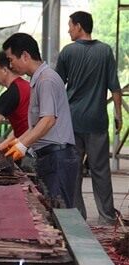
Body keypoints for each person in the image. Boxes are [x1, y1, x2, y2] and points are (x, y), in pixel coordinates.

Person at [55, 11, 122, 224]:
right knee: (100, 171)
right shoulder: (105, 51)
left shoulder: (67, 52)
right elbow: (115, 88)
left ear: (79, 27)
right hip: (97, 122)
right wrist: (118, 115)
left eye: (70, 25)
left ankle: (76, 216)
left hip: (72, 121)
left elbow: (57, 86)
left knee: (72, 170)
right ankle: (106, 217)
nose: (68, 30)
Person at [1, 33, 77, 208]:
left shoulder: (46, 80)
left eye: (12, 60)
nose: (11, 66)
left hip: (57, 157)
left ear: (25, 56)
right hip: (49, 157)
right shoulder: (38, 81)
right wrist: (16, 141)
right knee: (52, 210)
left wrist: (23, 145)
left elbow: (48, 120)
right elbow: (37, 126)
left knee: (61, 212)